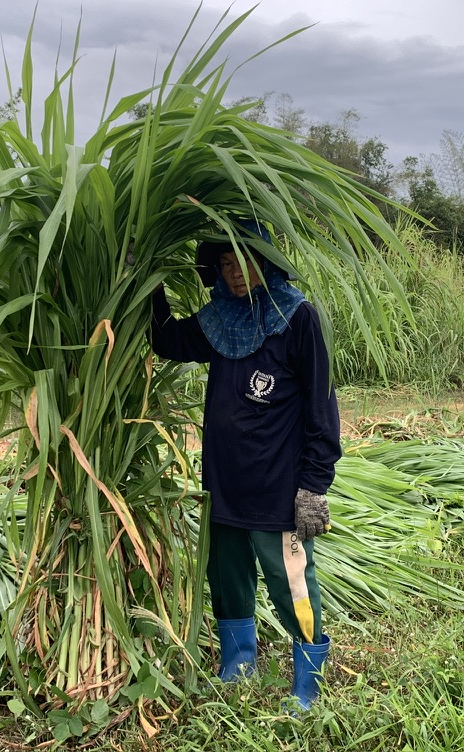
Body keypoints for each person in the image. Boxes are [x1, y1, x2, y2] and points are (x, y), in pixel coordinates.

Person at [149, 219, 341, 711]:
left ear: (266, 260)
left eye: (245, 260)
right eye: (226, 263)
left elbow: (321, 408)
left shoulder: (298, 318)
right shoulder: (220, 320)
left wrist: (313, 486)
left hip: (278, 491)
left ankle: (308, 681)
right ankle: (238, 666)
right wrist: (147, 279)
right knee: (228, 577)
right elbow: (168, 341)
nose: (236, 273)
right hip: (223, 486)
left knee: (292, 582)